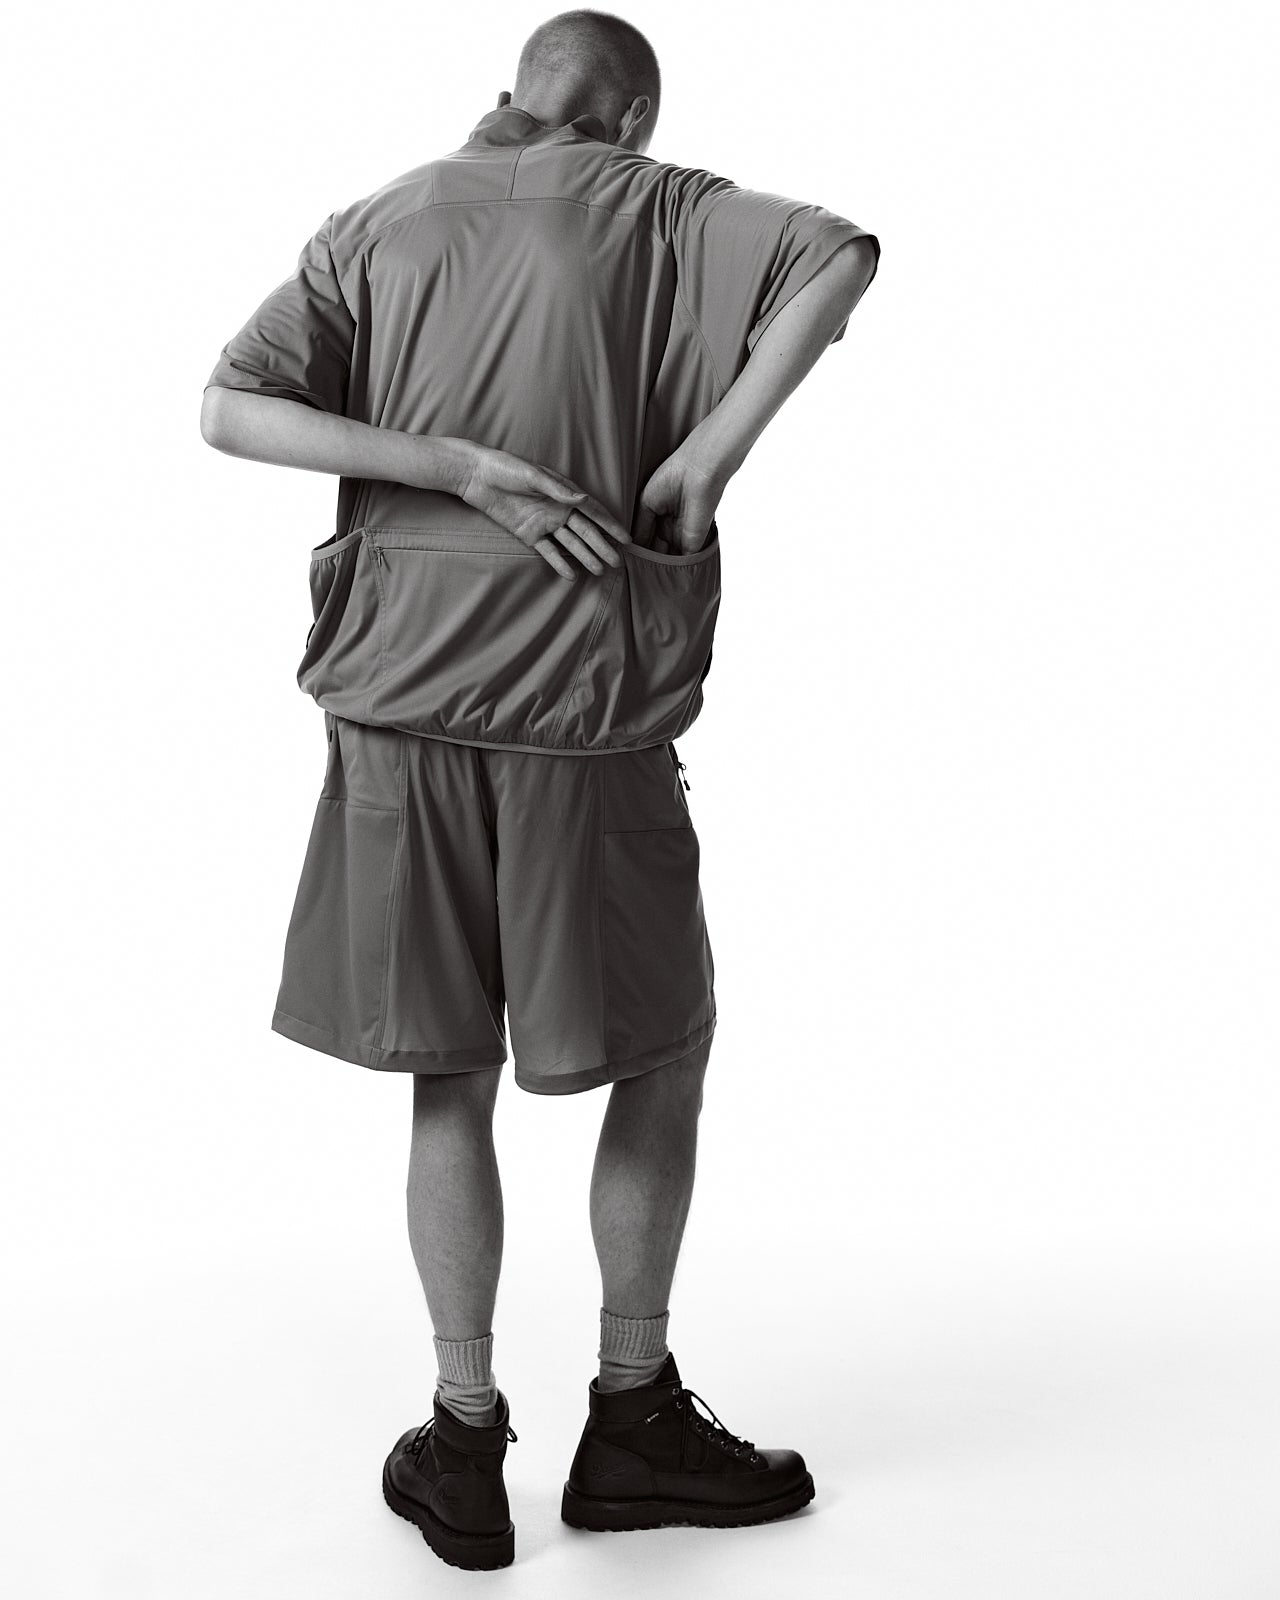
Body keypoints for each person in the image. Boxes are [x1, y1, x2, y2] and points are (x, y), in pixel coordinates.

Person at [200, 6, 879, 1573]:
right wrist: (708, 457)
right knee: (665, 1050)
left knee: (448, 1071)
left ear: (503, 99)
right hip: (581, 710)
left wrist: (444, 462)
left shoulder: (376, 220)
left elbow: (229, 411)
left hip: (393, 709)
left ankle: (460, 1440)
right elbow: (841, 257)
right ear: (628, 117)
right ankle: (631, 1416)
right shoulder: (657, 200)